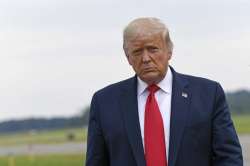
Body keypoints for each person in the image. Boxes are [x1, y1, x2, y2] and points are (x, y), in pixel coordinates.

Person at [85, 17, 243, 166]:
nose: (146, 58)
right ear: (128, 57)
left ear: (169, 52)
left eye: (153, 49)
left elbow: (229, 157)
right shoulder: (104, 102)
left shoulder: (208, 94)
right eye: (137, 52)